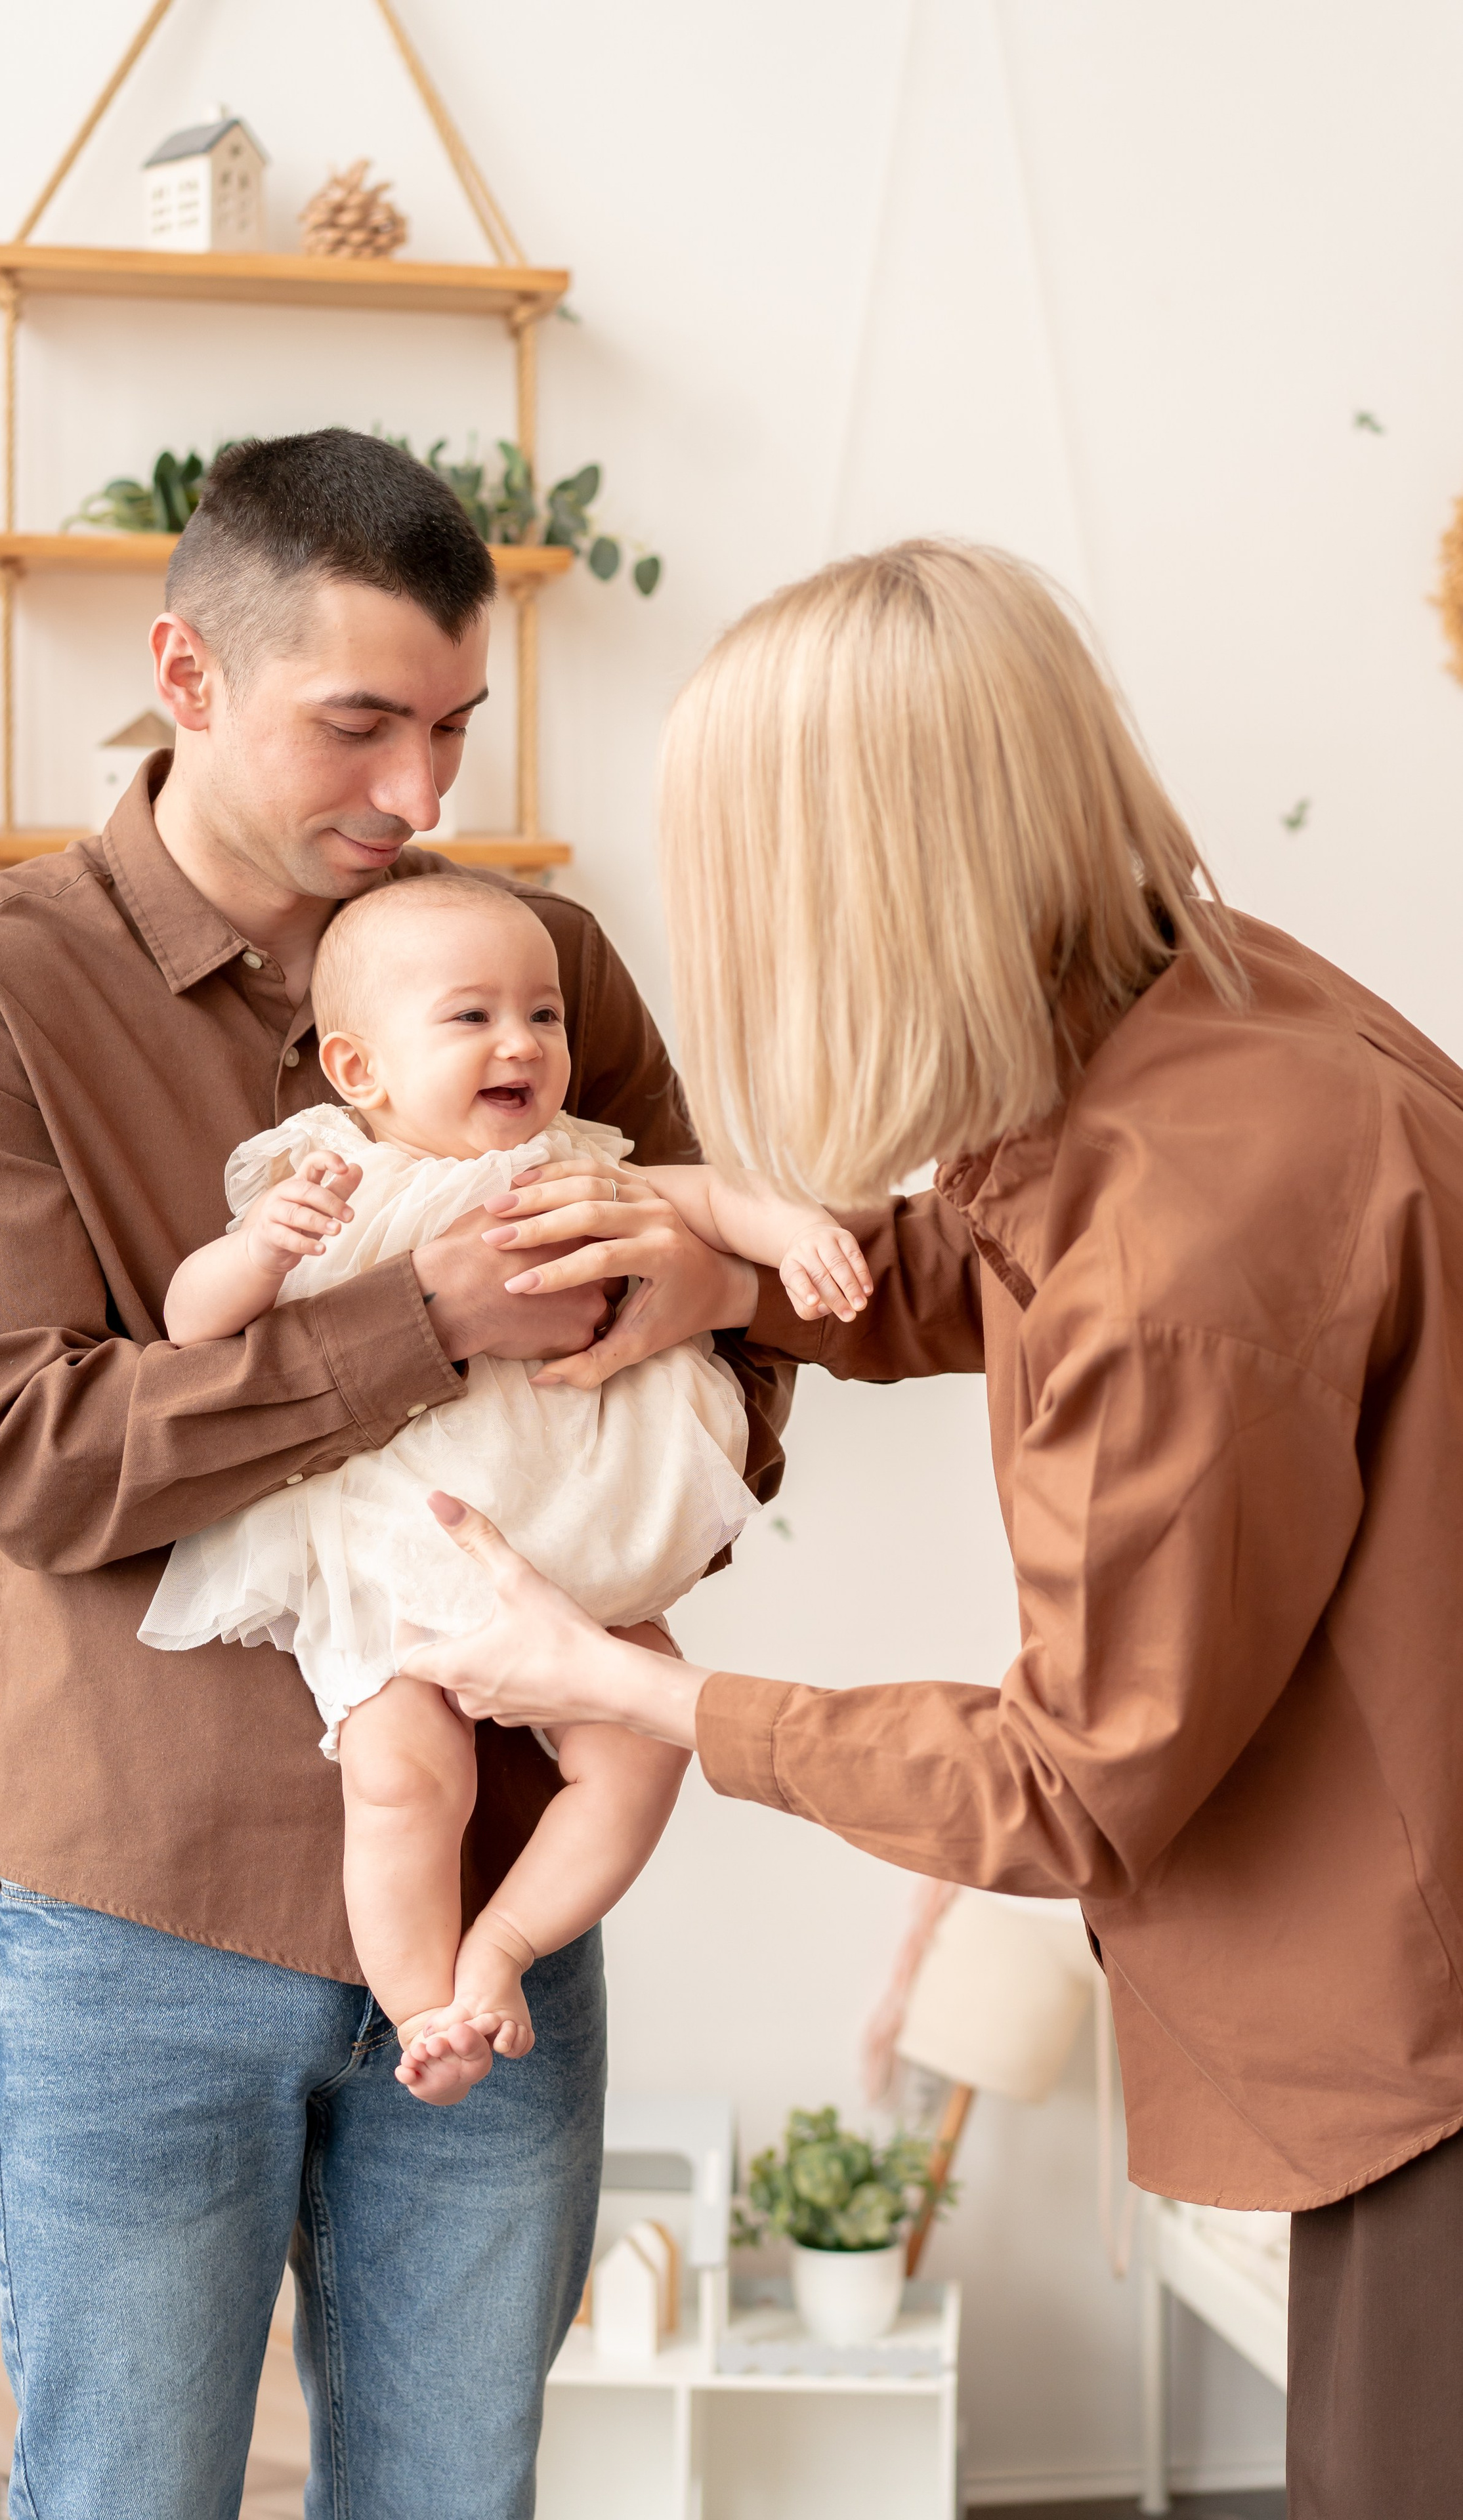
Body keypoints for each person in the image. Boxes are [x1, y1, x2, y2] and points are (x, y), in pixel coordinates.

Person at [401, 541, 1463, 2520]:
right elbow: (1031, 1249)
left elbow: (1073, 1783)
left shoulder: (1174, 1254)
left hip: (1428, 2031)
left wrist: (627, 1688)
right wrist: (741, 1281)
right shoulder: (1218, 1004)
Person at [0, 428, 788, 2520]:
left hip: (498, 1913)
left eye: (455, 727)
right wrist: (419, 1321)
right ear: (185, 674)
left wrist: (689, 1315)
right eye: (362, 724)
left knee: (458, 2497)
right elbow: (30, 1455)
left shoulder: (541, 968)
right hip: (139, 1913)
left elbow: (734, 1362)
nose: (422, 796)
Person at [141, 871, 870, 2104]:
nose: (523, 1042)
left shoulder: (575, 1162)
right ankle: (425, 2011)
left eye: (544, 1015)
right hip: (408, 1566)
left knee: (644, 1755)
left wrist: (794, 1232)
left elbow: (705, 1195)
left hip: (585, 1564)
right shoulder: (335, 1178)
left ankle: (504, 1948)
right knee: (403, 1780)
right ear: (359, 1069)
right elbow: (191, 1324)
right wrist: (260, 1251)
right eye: (472, 1017)